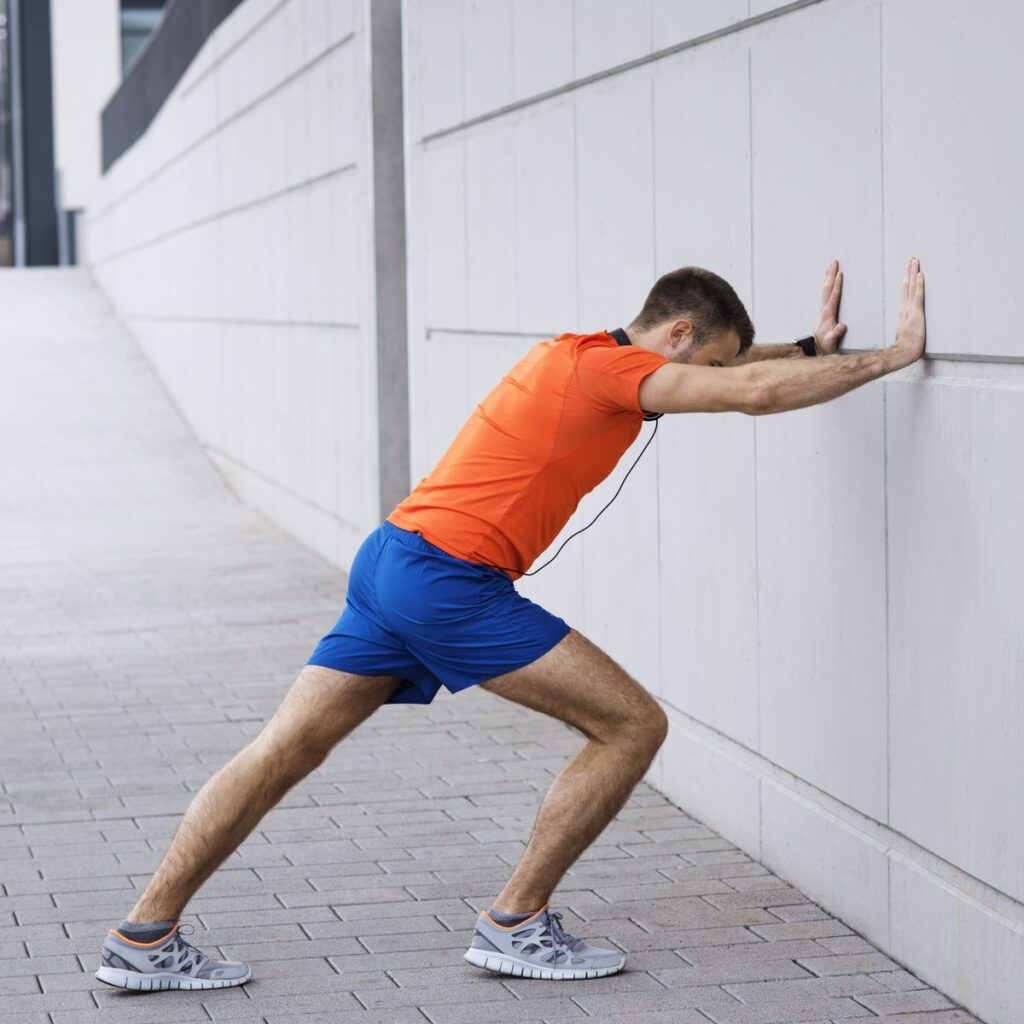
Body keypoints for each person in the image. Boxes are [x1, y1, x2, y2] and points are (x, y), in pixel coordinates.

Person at [95, 257, 927, 989]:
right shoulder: (614, 374)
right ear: (675, 334)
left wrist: (813, 349)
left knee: (283, 747)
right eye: (706, 361)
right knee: (633, 726)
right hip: (449, 584)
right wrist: (892, 357)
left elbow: (744, 371)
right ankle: (515, 923)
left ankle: (144, 933)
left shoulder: (570, 352)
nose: (707, 381)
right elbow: (750, 394)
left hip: (391, 559)